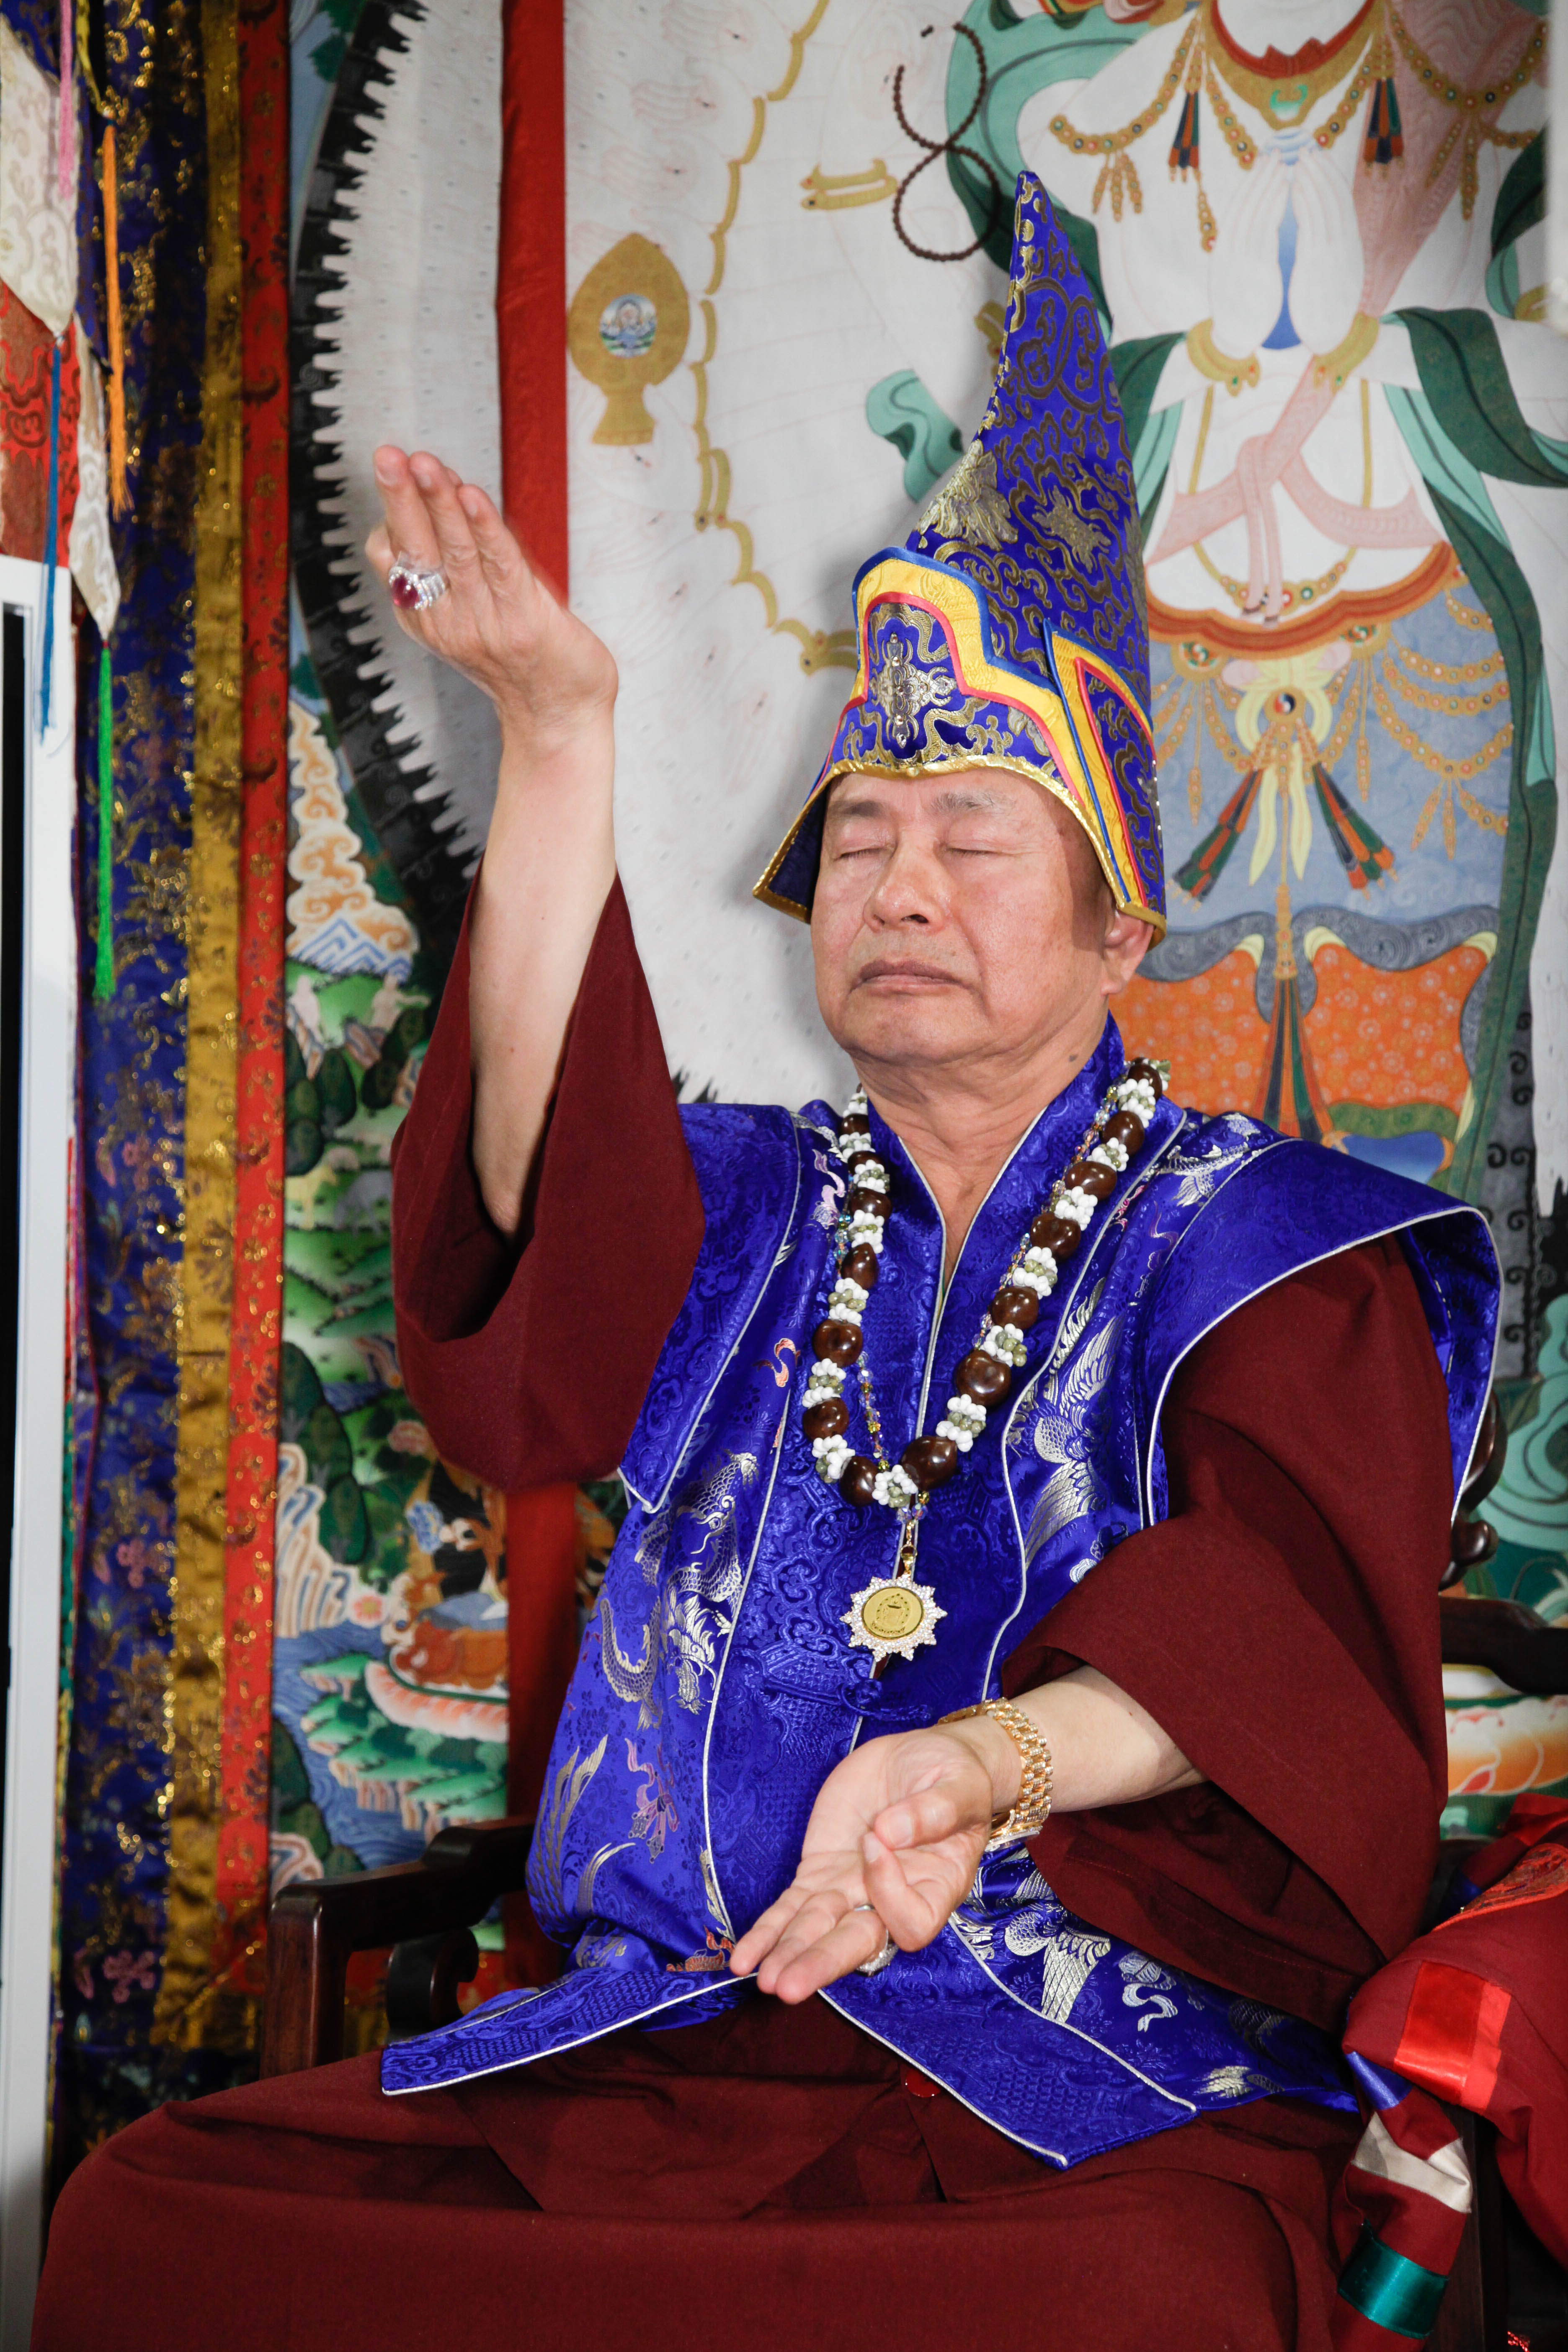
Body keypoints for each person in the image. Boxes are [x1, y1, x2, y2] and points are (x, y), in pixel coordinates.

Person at [34, 175, 1496, 2352]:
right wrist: (559, 741)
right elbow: (541, 1218)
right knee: (152, 2212)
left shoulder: (1275, 1249)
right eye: (861, 841)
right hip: (680, 2020)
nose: (898, 885)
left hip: (1064, 2056)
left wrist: (976, 1771)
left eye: (973, 835)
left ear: (1122, 924)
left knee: (1145, 2301)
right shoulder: (750, 1204)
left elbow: (1289, 1649)